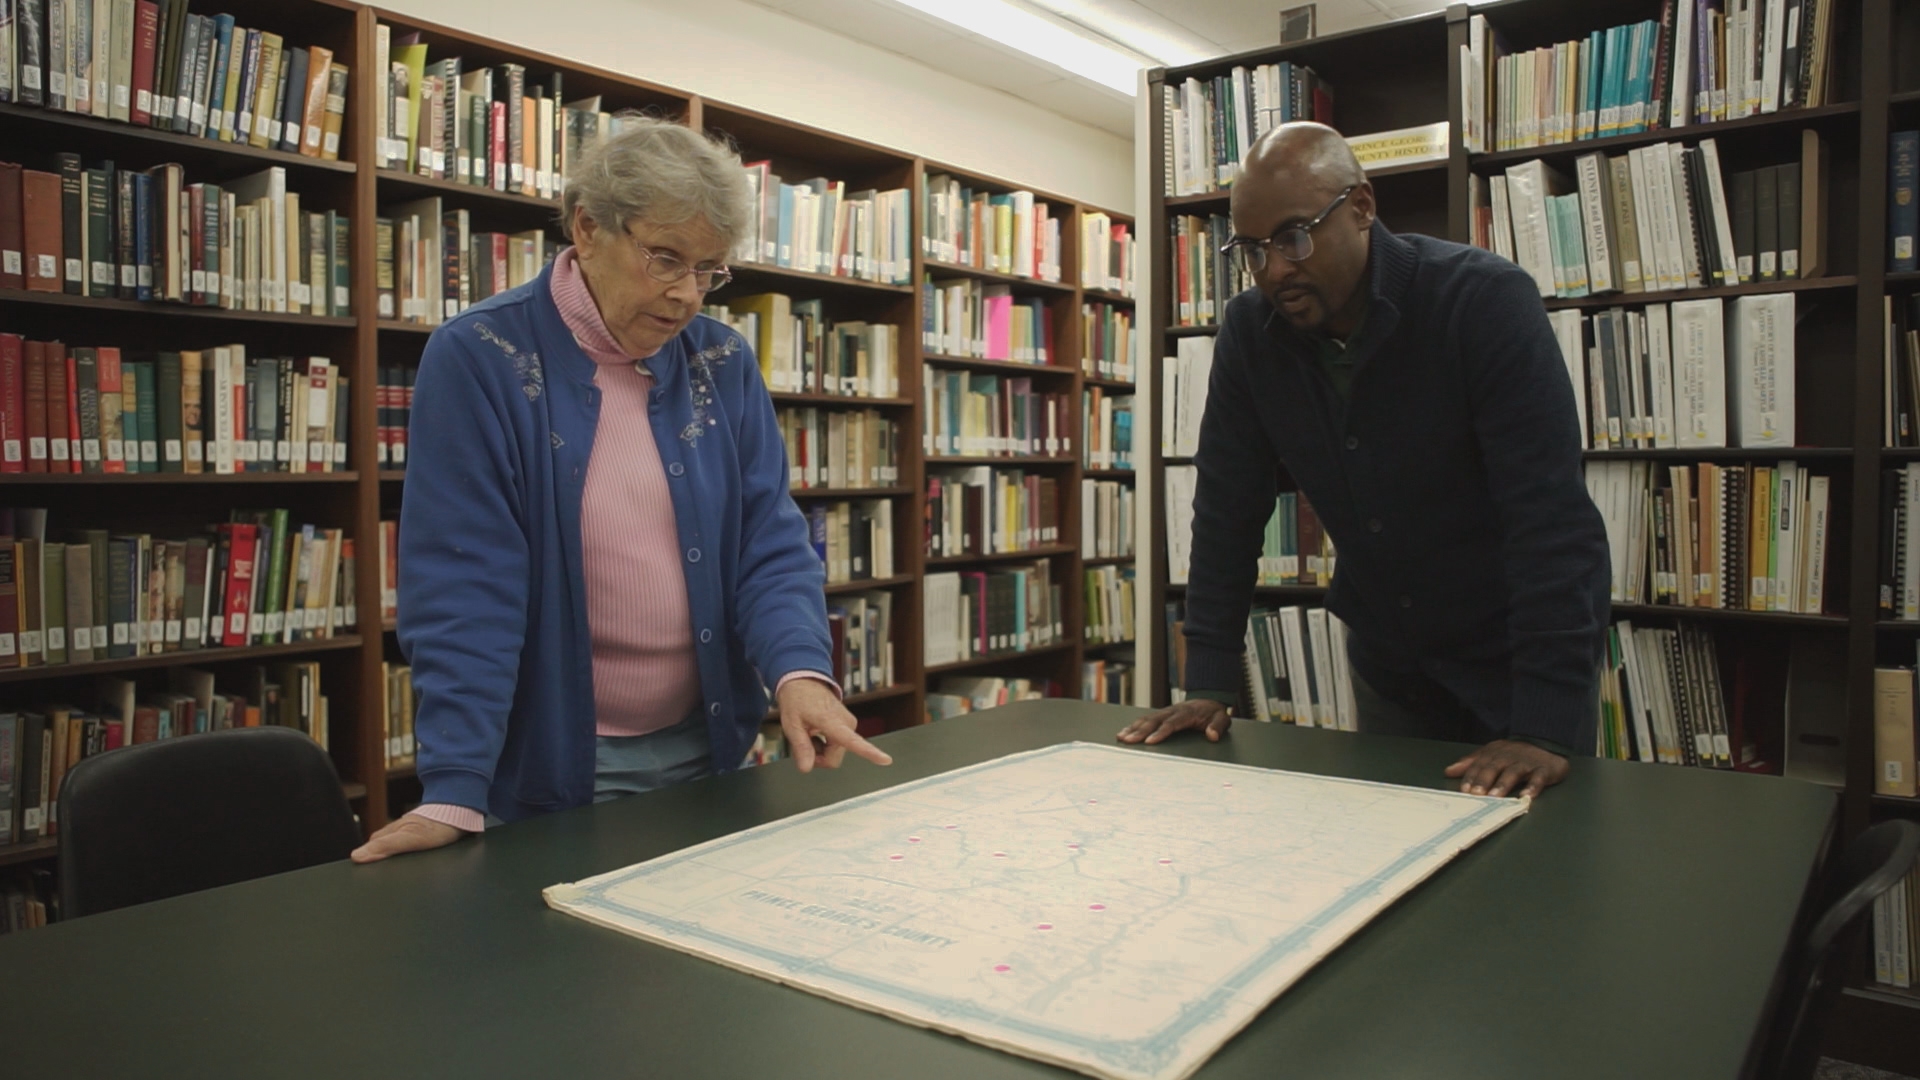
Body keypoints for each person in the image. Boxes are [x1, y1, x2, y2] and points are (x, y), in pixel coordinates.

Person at [352, 118, 889, 864]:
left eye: (708, 271)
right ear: (588, 227)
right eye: (665, 259)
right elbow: (465, 583)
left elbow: (766, 539)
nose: (685, 295)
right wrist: (456, 784)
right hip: (555, 766)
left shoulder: (722, 361)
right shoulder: (483, 357)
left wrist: (799, 673)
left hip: (708, 746)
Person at [1119, 122, 1610, 800]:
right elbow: (1227, 509)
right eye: (1252, 251)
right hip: (1391, 668)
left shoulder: (1482, 302)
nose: (1275, 271)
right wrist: (1207, 682)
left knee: (1539, 872)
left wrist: (1545, 725)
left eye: (1293, 237)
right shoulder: (1249, 335)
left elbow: (1549, 518)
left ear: (1361, 208)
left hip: (1517, 661)